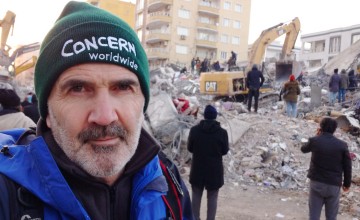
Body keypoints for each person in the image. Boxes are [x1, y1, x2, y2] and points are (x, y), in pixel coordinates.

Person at [0, 2, 193, 219]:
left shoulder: (167, 182)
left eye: (122, 87)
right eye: (78, 88)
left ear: (142, 102)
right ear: (48, 113)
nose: (104, 117)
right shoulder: (7, 192)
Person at [301, 117, 352, 220]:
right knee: (331, 216)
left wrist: (316, 136)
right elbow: (348, 166)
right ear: (334, 129)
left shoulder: (315, 140)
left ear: (321, 127)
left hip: (317, 183)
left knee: (314, 216)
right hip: (333, 185)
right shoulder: (342, 145)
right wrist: (347, 184)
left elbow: (303, 149)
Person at [187, 104, 229, 220]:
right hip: (214, 170)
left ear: (204, 116)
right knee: (212, 196)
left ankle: (195, 218)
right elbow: (225, 151)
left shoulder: (194, 131)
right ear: (215, 117)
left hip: (197, 169)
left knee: (196, 194)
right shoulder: (222, 133)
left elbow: (190, 148)